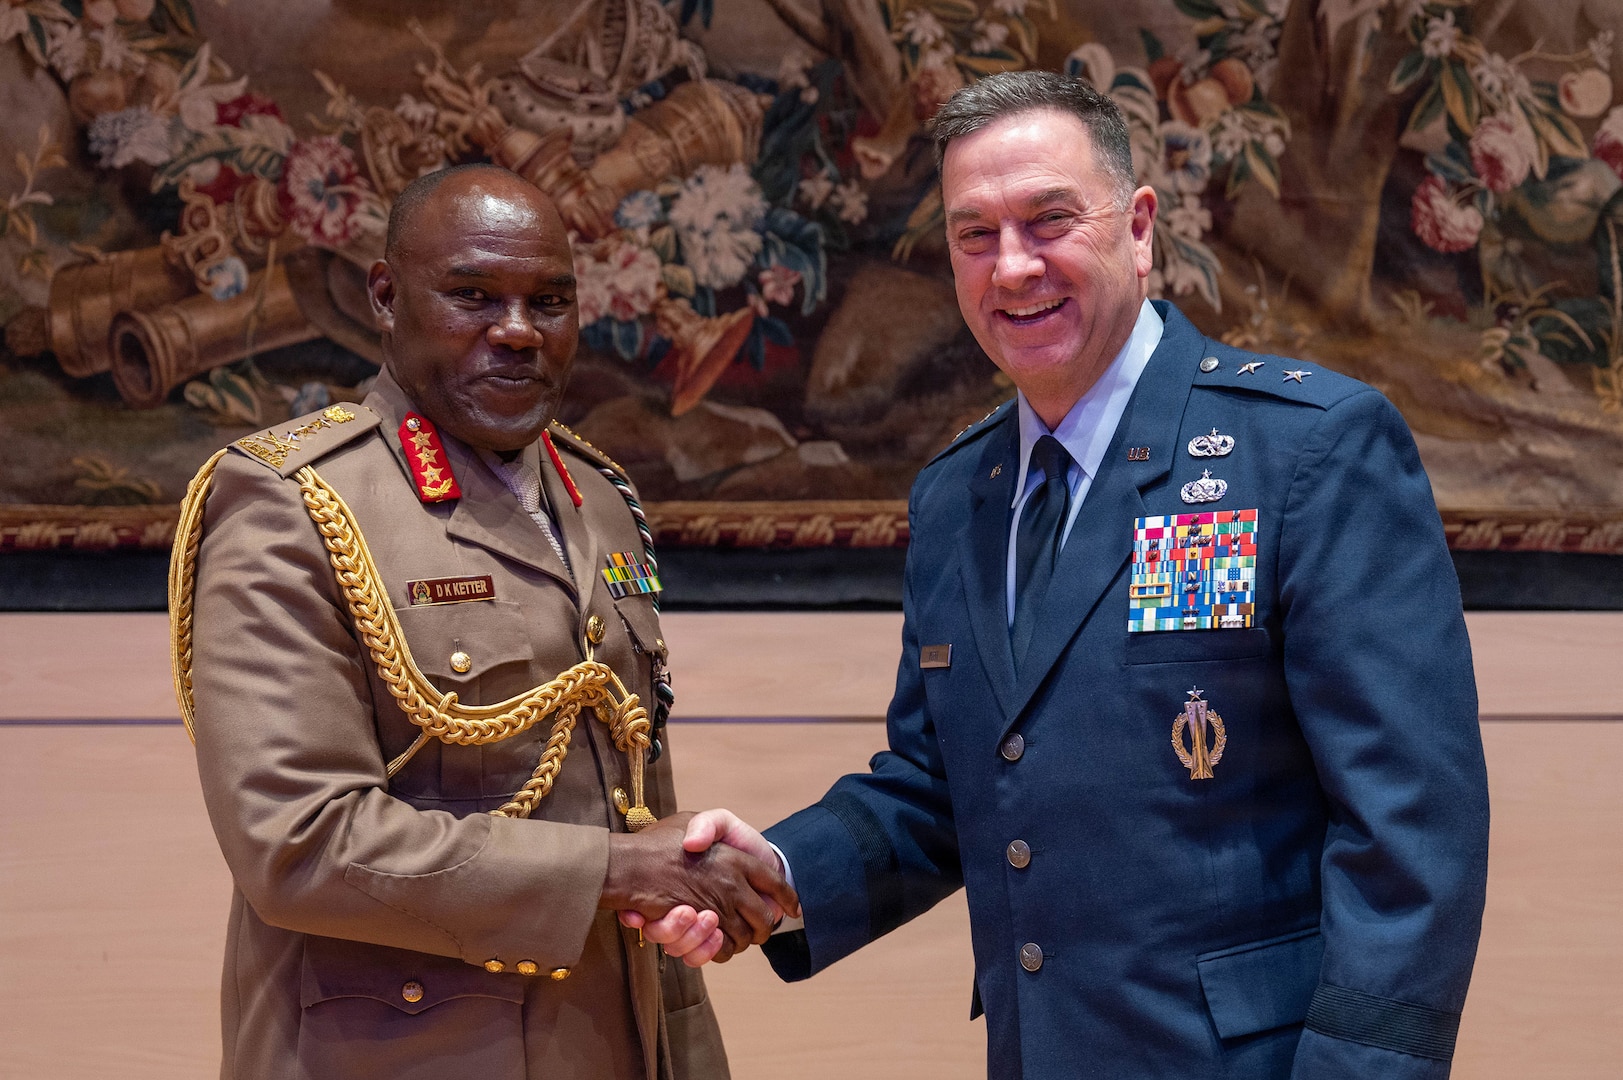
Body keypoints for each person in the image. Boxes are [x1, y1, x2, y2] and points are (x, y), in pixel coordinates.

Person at [633, 71, 1489, 1078]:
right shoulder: (957, 496)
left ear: (1137, 228)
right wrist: (775, 876)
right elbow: (946, 787)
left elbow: (1413, 834)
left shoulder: (1306, 451)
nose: (1013, 268)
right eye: (974, 235)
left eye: (1050, 220)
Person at [176, 163, 795, 1080]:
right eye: (472, 295)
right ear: (386, 297)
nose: (516, 332)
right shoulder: (293, 502)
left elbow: (633, 806)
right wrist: (619, 871)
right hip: (400, 1051)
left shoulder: (597, 496)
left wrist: (679, 908)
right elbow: (298, 843)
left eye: (548, 301)